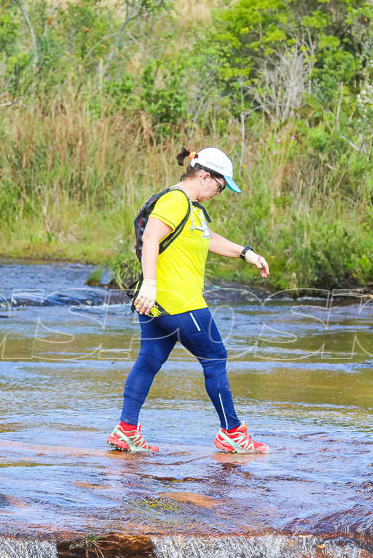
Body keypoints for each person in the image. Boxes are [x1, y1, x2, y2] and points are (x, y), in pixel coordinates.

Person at [107, 146, 270, 454]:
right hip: (179, 301)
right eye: (220, 187)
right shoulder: (175, 200)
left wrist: (247, 253)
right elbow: (150, 236)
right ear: (205, 176)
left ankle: (126, 429)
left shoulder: (191, 208)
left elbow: (207, 238)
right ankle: (232, 433)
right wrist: (150, 285)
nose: (219, 193)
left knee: (149, 360)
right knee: (215, 357)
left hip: (158, 304)